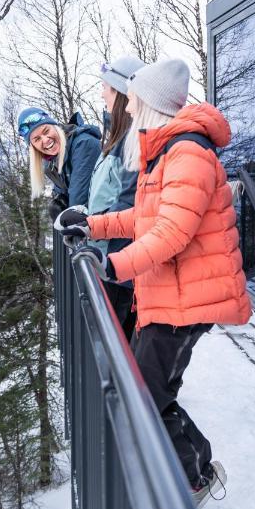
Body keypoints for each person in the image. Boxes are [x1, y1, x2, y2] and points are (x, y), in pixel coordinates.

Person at [54, 58, 252, 507]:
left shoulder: (188, 154)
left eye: (135, 96)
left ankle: (196, 478)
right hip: (170, 293)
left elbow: (172, 233)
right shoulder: (164, 150)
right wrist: (93, 227)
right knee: (148, 388)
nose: (127, 103)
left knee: (146, 390)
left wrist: (115, 266)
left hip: (190, 298)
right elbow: (142, 218)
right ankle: (187, 466)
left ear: (150, 102)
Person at [86, 55, 145, 339]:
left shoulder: (133, 140)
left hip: (123, 262)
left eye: (105, 88)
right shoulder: (120, 137)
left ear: (121, 92)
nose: (101, 94)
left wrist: (92, 226)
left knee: (117, 344)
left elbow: (130, 200)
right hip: (114, 255)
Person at [18, 107, 101, 218]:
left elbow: (79, 205)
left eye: (46, 131)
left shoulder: (83, 144)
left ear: (55, 127)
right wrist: (59, 202)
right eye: (37, 139)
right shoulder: (52, 163)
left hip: (111, 224)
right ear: (33, 147)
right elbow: (64, 194)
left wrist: (66, 222)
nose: (45, 140)